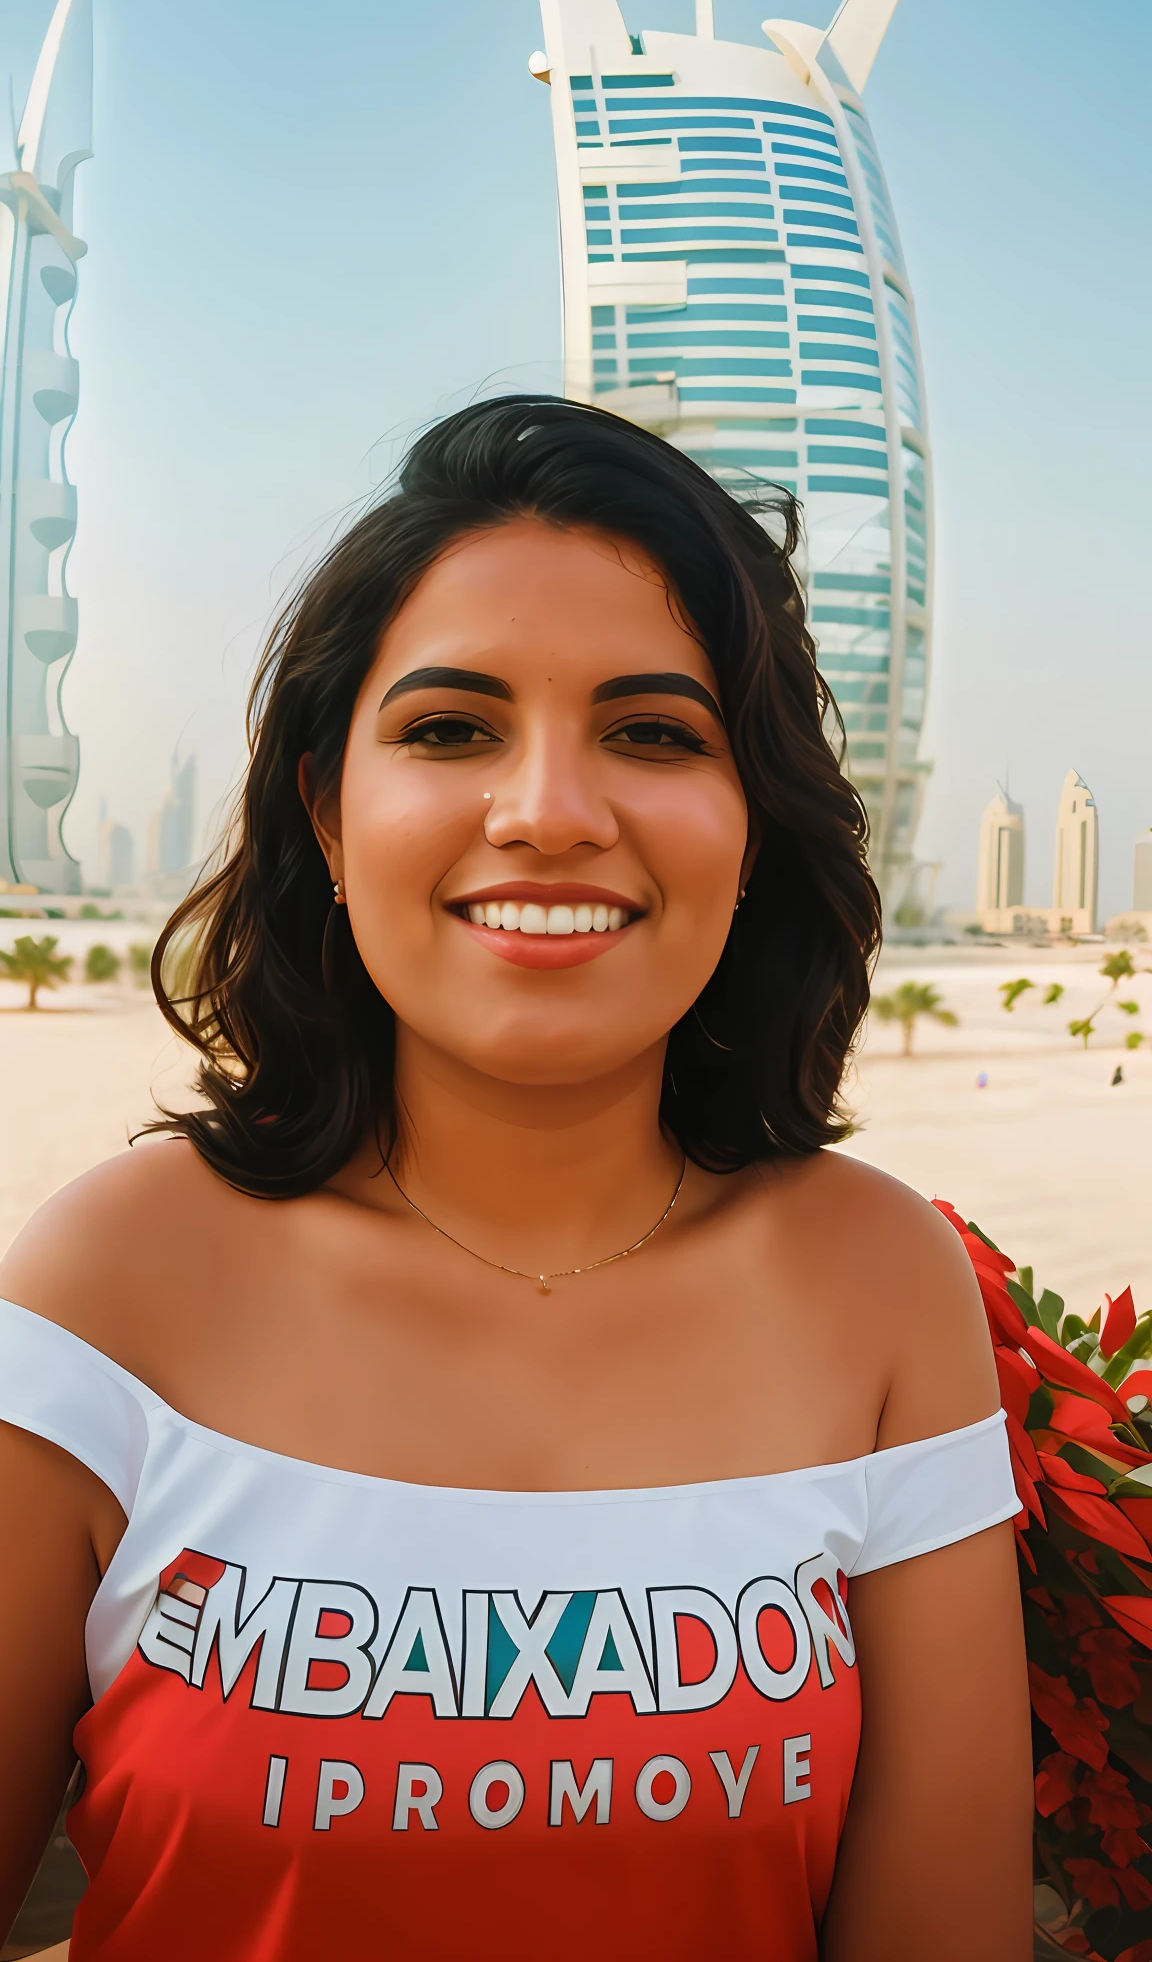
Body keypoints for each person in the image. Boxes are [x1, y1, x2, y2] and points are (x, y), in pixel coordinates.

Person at [0, 397, 1032, 1960]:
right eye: (449, 728)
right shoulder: (114, 1284)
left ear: (750, 829)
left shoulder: (874, 1285)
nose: (549, 811)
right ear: (328, 817)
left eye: (655, 732)